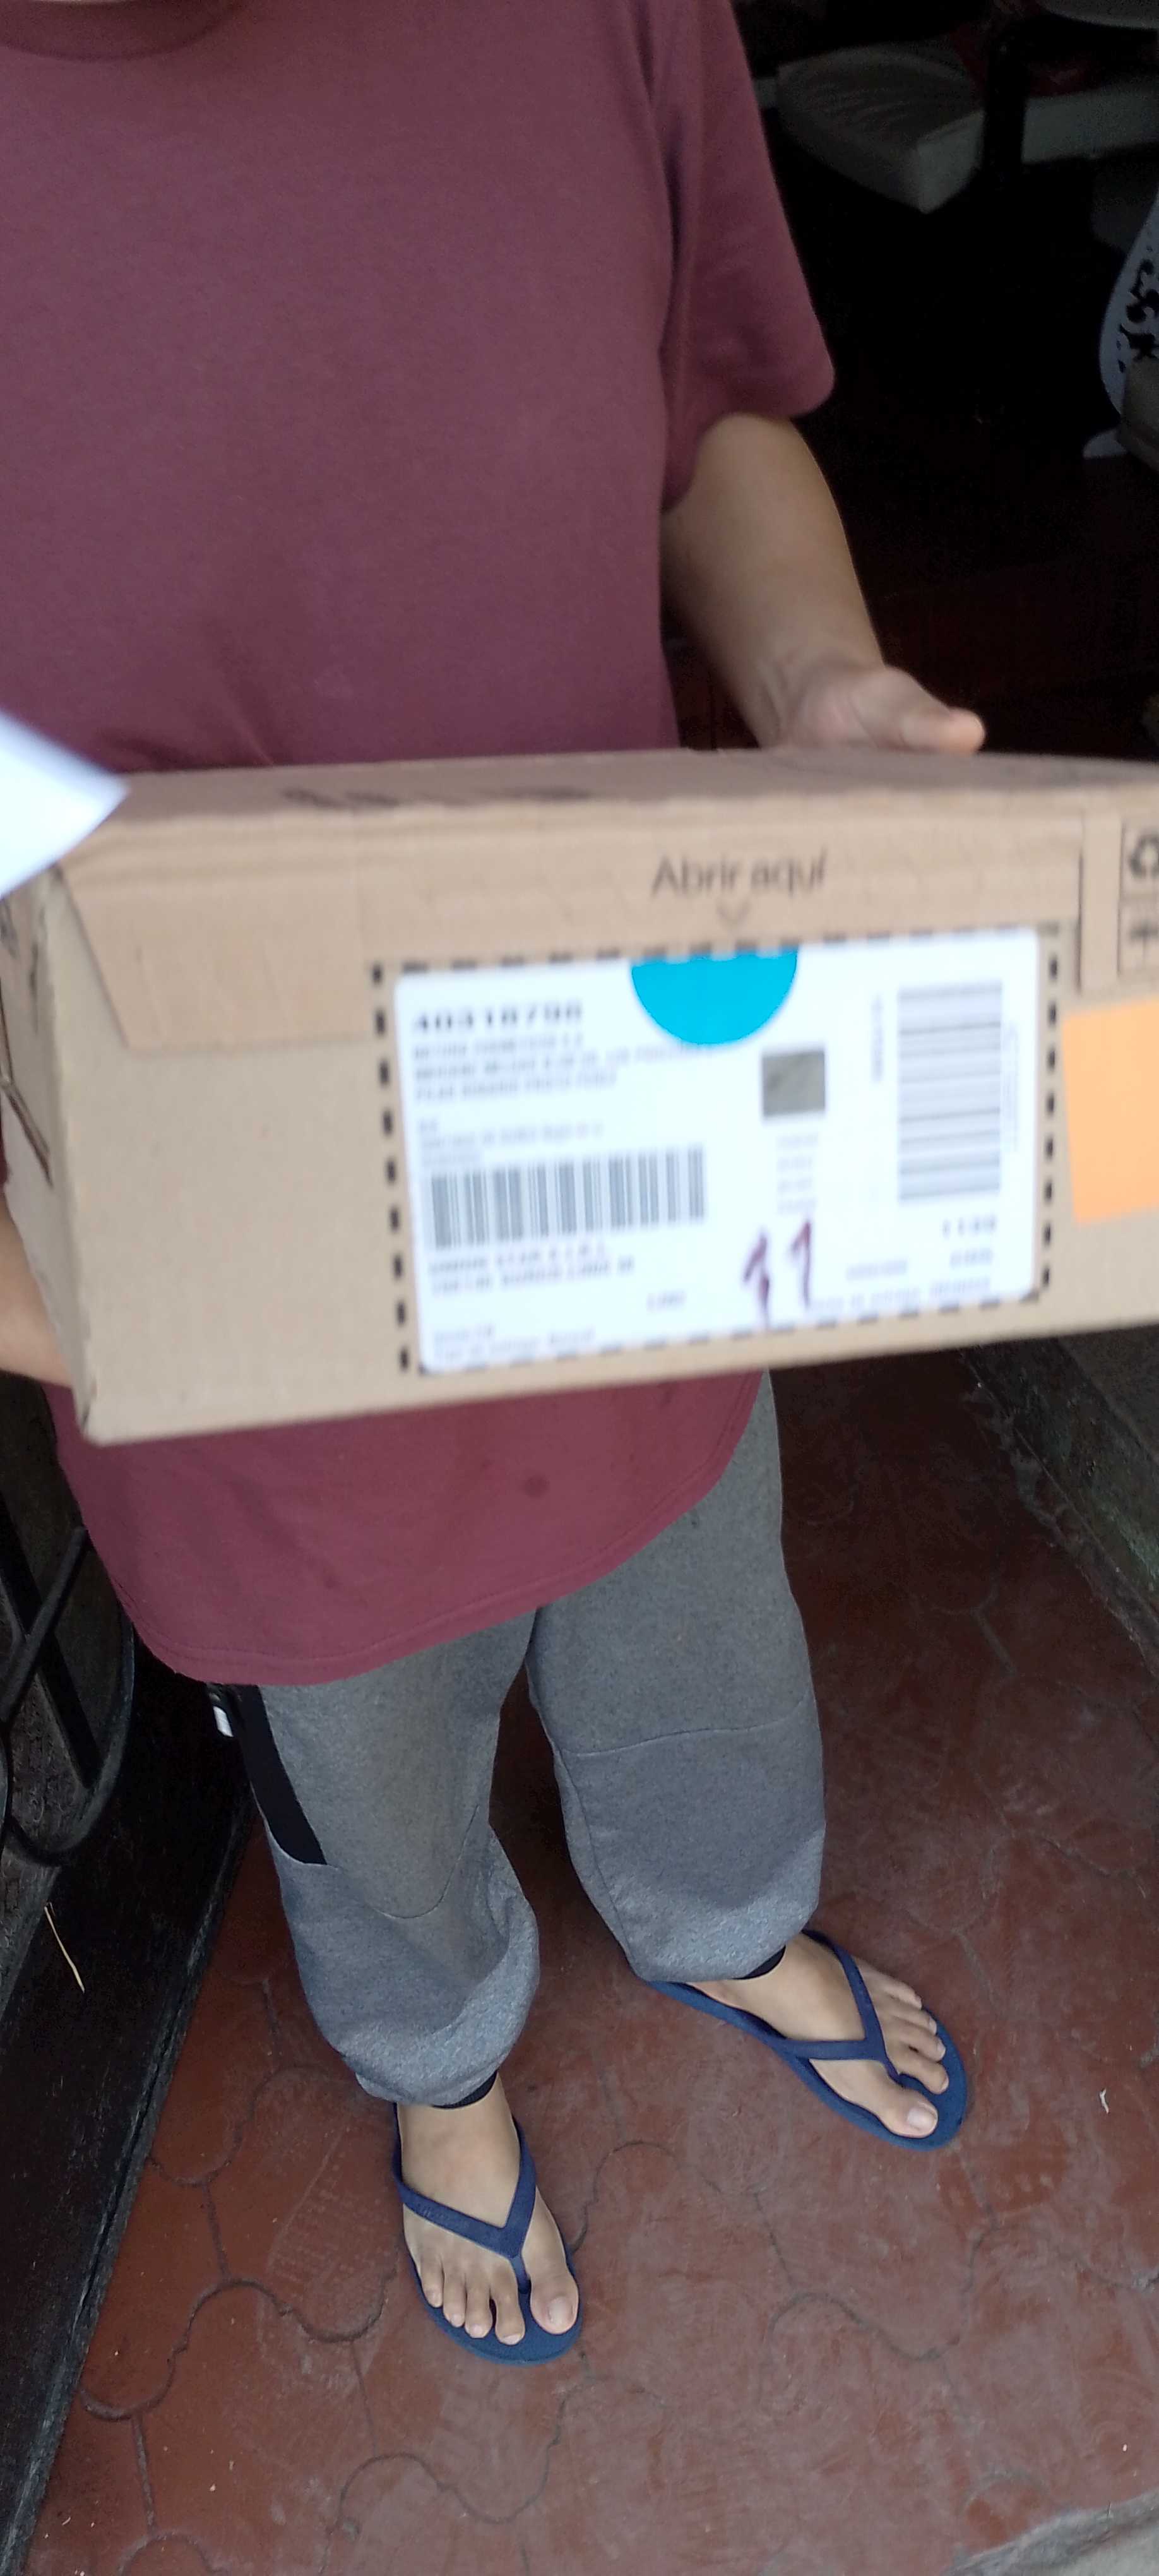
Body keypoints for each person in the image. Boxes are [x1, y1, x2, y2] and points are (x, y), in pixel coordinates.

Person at [0, 0, 981, 2365]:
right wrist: (62, 1291)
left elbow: (699, 403)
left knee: (695, 1592)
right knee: (359, 1748)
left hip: (626, 1150)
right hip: (218, 1277)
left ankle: (723, 1916)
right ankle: (439, 2065)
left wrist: (814, 678)